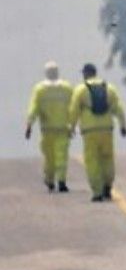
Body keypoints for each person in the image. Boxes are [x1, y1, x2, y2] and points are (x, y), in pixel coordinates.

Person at [69, 63, 126, 202]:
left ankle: (97, 191)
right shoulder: (109, 88)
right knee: (107, 158)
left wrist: (71, 128)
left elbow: (73, 111)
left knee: (92, 161)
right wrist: (123, 125)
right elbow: (118, 108)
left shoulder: (81, 90)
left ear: (86, 74)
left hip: (89, 131)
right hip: (107, 128)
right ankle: (108, 185)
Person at [25, 61, 74, 192]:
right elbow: (73, 108)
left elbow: (33, 108)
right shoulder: (67, 88)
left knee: (49, 157)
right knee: (61, 156)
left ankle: (50, 181)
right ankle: (62, 181)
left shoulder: (40, 89)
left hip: (47, 130)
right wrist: (73, 125)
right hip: (63, 128)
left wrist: (29, 125)